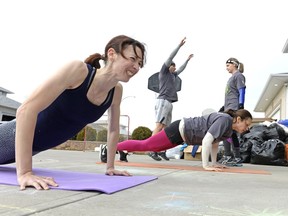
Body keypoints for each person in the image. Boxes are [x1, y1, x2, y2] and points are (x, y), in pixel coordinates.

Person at [0, 35, 147, 190]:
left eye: (139, 63)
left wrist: (110, 167)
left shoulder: (116, 91)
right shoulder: (79, 71)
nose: (136, 67)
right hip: (9, 137)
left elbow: (113, 130)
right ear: (112, 54)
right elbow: (25, 110)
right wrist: (25, 172)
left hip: (29, 150)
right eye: (132, 59)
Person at [102, 109, 252, 171]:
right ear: (238, 119)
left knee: (153, 147)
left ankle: (116, 148)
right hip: (178, 130)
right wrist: (206, 165)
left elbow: (213, 143)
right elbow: (207, 140)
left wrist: (214, 163)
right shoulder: (225, 120)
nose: (246, 128)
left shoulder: (228, 130)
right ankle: (109, 147)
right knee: (146, 145)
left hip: (181, 136)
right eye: (246, 124)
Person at [148, 37, 194, 161]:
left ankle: (162, 151)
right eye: (172, 66)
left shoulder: (174, 75)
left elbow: (181, 69)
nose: (174, 67)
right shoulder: (163, 72)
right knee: (158, 126)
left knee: (165, 129)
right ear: (169, 66)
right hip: (162, 100)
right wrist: (179, 46)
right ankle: (151, 149)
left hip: (169, 102)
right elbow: (170, 57)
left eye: (174, 66)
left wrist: (187, 60)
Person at [218, 57, 246, 166]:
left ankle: (233, 157)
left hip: (234, 107)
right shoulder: (232, 78)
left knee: (229, 131)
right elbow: (231, 94)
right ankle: (232, 157)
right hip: (228, 107)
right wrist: (223, 107)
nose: (226, 68)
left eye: (228, 66)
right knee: (228, 132)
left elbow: (242, 90)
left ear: (234, 65)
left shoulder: (239, 76)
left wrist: (240, 105)